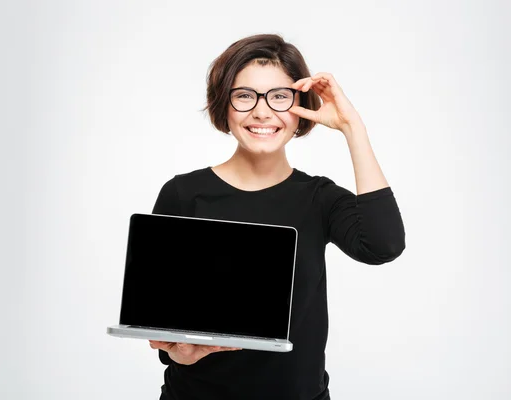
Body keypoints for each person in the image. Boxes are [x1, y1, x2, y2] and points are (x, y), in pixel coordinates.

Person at [147, 33, 406, 400]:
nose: (262, 111)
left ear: (300, 106)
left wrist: (353, 128)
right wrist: (180, 353)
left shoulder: (320, 199)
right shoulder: (183, 194)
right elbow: (165, 329)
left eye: (280, 96)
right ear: (224, 104)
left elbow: (384, 245)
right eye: (244, 96)